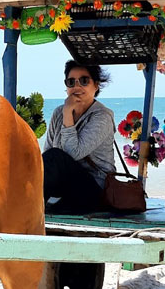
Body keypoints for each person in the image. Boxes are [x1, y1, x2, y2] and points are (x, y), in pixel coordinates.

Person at [43, 60, 115, 213]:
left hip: (94, 190)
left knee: (56, 156)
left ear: (96, 85)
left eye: (84, 81)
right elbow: (47, 153)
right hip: (65, 189)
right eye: (71, 82)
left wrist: (68, 113)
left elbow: (73, 153)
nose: (77, 87)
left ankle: (25, 208)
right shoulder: (58, 113)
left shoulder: (102, 116)